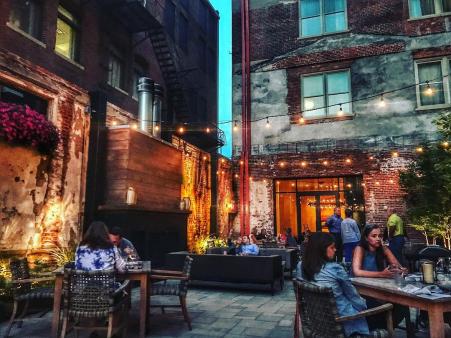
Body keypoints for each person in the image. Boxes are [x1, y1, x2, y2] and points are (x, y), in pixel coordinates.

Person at [297, 232, 370, 337]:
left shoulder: (301, 267)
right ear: (321, 249)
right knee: (380, 308)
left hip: (317, 322)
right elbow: (353, 296)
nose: (335, 250)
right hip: (343, 323)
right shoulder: (335, 269)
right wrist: (365, 306)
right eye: (332, 247)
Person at [352, 224, 409, 330]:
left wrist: (401, 270)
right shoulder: (360, 249)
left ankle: (385, 328)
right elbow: (356, 272)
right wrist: (381, 274)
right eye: (374, 236)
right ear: (366, 238)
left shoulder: (382, 249)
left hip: (378, 288)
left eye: (380, 236)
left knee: (403, 305)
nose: (378, 239)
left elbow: (398, 266)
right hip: (361, 291)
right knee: (391, 306)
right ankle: (381, 329)